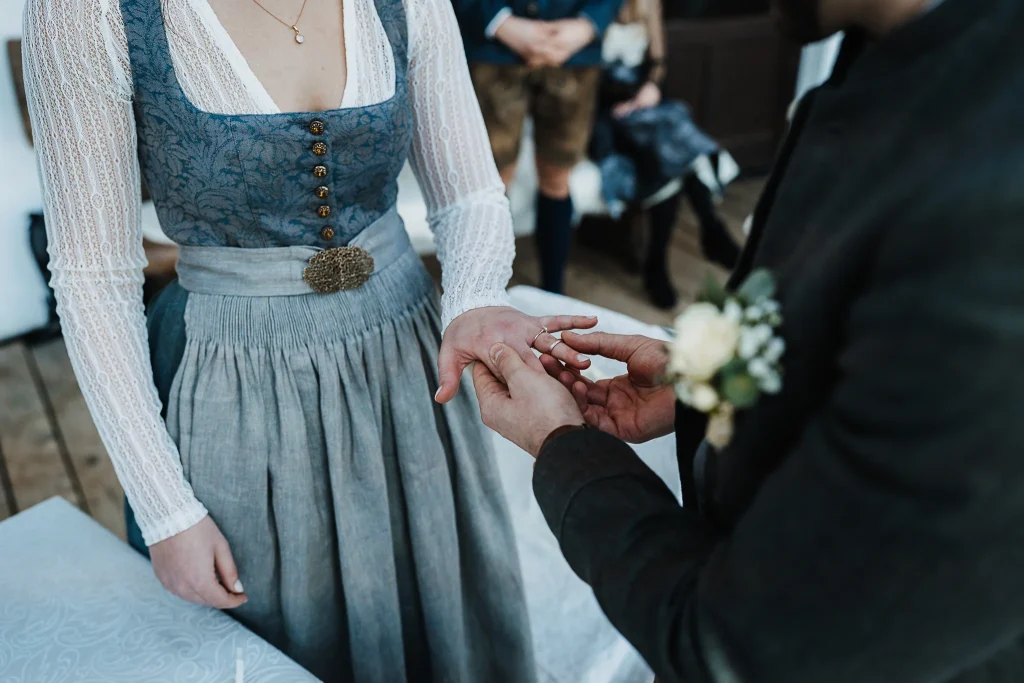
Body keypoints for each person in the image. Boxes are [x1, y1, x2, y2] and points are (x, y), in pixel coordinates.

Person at [21, 0, 598, 678]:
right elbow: (94, 277)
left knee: (436, 602)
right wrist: (167, 512)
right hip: (235, 373)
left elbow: (469, 195)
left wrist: (471, 302)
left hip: (407, 360)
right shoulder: (85, 12)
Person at [471, 0, 1024, 680]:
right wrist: (702, 388)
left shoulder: (995, 204)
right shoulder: (892, 57)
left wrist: (564, 445)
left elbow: (747, 648)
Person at [452, 0, 625, 294]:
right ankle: (484, 293)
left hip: (574, 48)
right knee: (492, 181)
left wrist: (588, 24)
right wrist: (499, 22)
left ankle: (553, 290)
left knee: (557, 176)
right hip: (491, 46)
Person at [591, 0, 741, 309]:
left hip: (642, 103)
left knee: (674, 141)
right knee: (668, 154)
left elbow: (657, 62)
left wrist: (650, 88)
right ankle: (709, 231)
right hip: (603, 113)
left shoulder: (648, 5)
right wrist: (617, 104)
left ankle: (660, 259)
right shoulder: (589, 9)